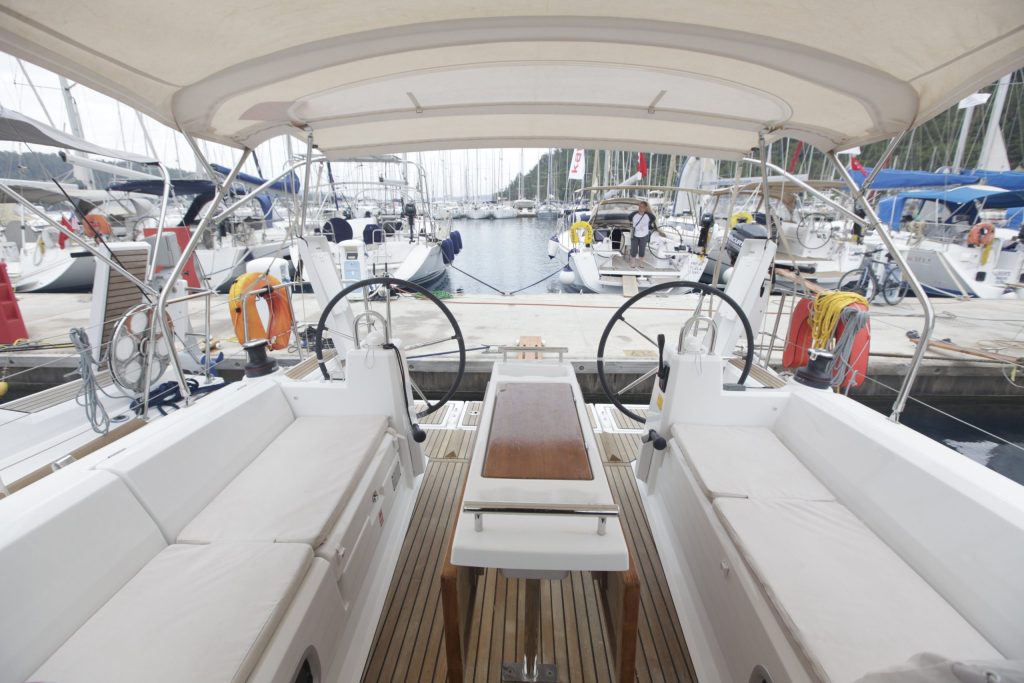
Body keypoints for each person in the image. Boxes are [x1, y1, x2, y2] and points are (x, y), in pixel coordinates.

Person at [628, 200, 657, 267]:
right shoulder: (634, 215)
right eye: (639, 206)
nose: (640, 208)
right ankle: (633, 263)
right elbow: (629, 217)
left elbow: (653, 218)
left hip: (644, 235)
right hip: (635, 235)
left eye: (642, 207)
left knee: (642, 250)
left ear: (645, 208)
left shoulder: (648, 216)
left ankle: (641, 263)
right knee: (633, 250)